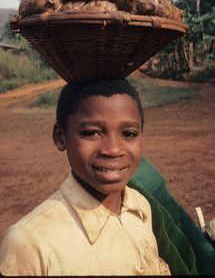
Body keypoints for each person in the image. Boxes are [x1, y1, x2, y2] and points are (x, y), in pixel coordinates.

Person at [0, 78, 170, 276]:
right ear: (60, 136)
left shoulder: (140, 207)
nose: (113, 150)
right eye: (92, 133)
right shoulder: (29, 242)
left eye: (129, 134)